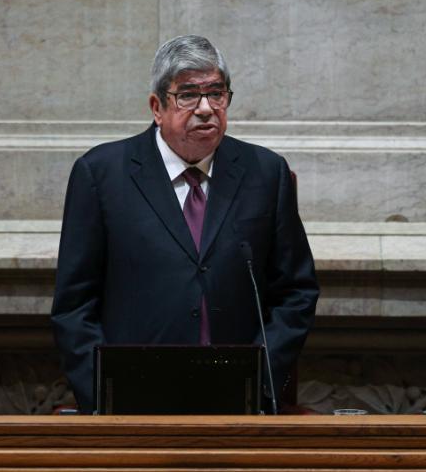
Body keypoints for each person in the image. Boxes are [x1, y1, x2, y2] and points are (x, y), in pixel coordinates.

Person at [51, 35, 320, 414]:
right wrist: (104, 394)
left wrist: (260, 376)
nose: (206, 108)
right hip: (132, 401)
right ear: (157, 107)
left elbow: (296, 292)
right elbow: (74, 305)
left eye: (217, 93)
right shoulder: (101, 175)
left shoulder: (266, 173)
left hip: (239, 398)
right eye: (189, 95)